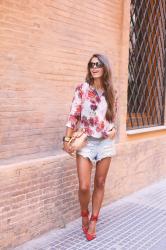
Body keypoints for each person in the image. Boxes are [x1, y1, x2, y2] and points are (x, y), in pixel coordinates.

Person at [63, 53, 118, 241]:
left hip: (105, 143)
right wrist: (66, 139)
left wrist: (114, 130)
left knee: (100, 183)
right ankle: (84, 212)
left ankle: (94, 220)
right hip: (86, 141)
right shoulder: (82, 89)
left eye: (98, 64)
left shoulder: (112, 92)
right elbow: (73, 115)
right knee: (84, 186)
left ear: (105, 68)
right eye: (91, 64)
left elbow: (112, 118)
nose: (94, 67)